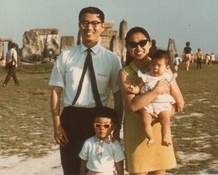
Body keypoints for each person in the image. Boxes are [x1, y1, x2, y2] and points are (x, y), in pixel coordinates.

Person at [49, 6, 123, 175]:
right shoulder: (66, 57)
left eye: (95, 23)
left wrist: (117, 128)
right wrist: (57, 124)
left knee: (99, 170)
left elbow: (118, 97)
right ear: (79, 25)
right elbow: (55, 92)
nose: (89, 27)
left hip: (99, 119)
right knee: (72, 169)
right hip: (71, 119)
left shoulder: (111, 59)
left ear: (102, 26)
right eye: (85, 22)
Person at [119, 27, 184, 174]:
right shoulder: (125, 73)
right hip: (136, 130)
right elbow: (132, 106)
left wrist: (166, 113)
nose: (138, 48)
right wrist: (156, 91)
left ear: (150, 44)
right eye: (133, 44)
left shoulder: (162, 67)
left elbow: (179, 101)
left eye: (142, 43)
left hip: (160, 129)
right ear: (128, 47)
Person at [127, 49, 183, 147]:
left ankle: (165, 137)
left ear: (167, 67)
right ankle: (150, 137)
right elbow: (139, 87)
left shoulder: (167, 76)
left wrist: (179, 101)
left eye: (159, 65)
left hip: (162, 104)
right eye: (153, 65)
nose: (155, 68)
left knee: (165, 120)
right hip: (147, 104)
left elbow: (174, 90)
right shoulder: (146, 76)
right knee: (145, 121)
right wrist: (133, 89)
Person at [79, 106, 125, 175]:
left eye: (106, 125)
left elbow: (119, 167)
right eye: (98, 125)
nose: (102, 128)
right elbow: (83, 165)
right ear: (93, 125)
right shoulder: (88, 143)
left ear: (113, 127)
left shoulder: (115, 144)